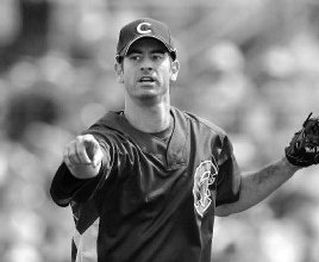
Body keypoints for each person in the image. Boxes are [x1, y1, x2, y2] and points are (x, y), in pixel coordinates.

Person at [50, 18, 302, 262]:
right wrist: (83, 164)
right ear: (119, 70)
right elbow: (90, 165)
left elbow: (228, 198)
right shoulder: (106, 139)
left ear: (174, 69)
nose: (146, 65)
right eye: (135, 57)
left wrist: (290, 162)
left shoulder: (208, 139)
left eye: (157, 57)